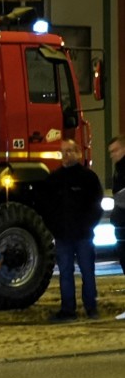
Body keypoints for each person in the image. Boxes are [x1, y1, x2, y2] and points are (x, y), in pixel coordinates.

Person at [40, 138, 103, 321]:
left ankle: (91, 308)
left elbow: (97, 205)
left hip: (83, 236)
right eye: (63, 152)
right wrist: (54, 228)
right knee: (65, 274)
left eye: (69, 151)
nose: (66, 155)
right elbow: (46, 208)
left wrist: (88, 225)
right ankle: (68, 310)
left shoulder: (88, 178)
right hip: (63, 237)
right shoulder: (54, 179)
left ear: (78, 153)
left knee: (87, 273)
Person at [107, 135, 125, 319]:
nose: (113, 155)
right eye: (111, 152)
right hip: (121, 224)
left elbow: (121, 197)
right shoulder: (119, 169)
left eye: (116, 150)